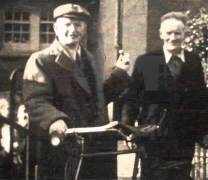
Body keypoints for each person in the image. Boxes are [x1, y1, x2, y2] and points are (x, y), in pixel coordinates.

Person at [23, 3, 130, 179]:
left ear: (84, 28)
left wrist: (119, 73)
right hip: (63, 145)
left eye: (78, 25)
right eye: (67, 24)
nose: (73, 29)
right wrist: (54, 120)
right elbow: (36, 100)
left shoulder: (89, 59)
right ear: (56, 28)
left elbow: (97, 98)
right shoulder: (41, 60)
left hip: (94, 144)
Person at [121, 11, 208, 180]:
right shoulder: (147, 61)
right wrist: (127, 127)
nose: (173, 37)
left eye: (177, 33)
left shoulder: (193, 61)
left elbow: (201, 98)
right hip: (153, 136)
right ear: (161, 34)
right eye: (169, 33)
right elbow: (132, 97)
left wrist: (207, 130)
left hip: (184, 136)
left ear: (184, 35)